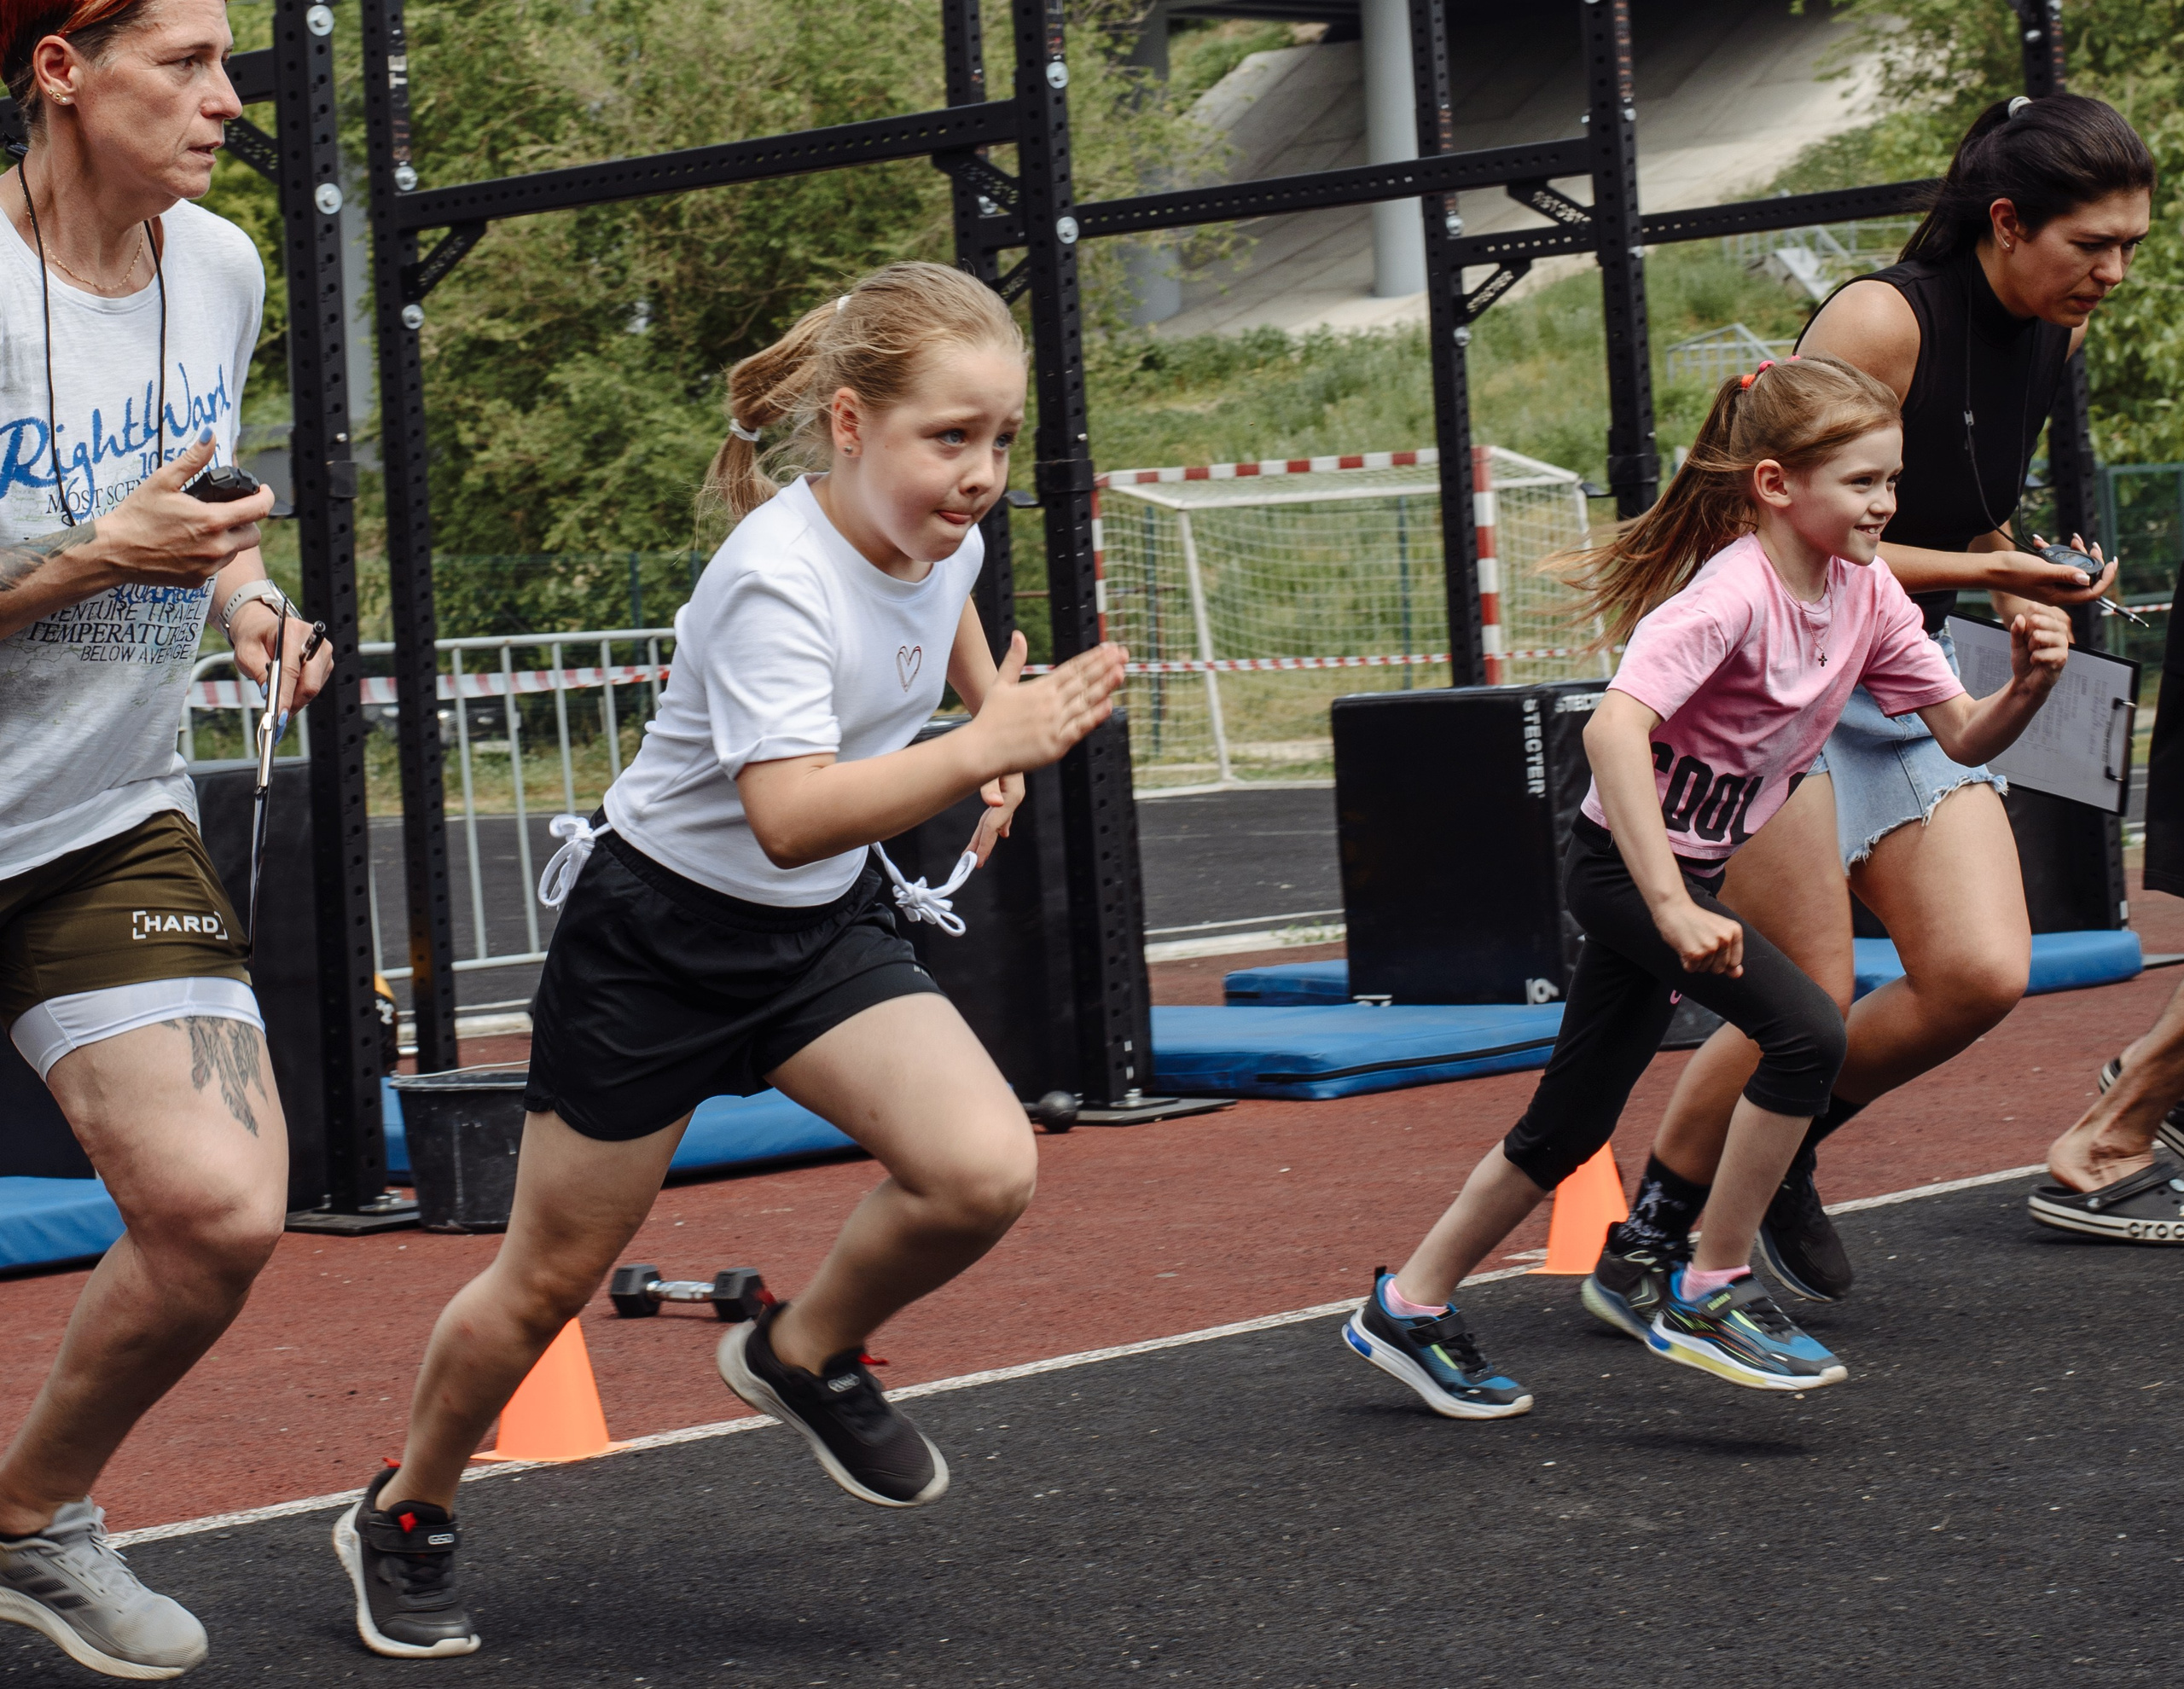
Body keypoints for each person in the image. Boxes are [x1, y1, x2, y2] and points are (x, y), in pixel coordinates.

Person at [332, 262, 1128, 1659]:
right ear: (848, 425)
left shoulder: (942, 535)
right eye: (949, 437)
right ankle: (406, 1509)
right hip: (659, 938)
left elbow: (946, 615)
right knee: (543, 1281)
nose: (981, 473)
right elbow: (788, 808)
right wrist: (982, 749)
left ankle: (798, 1351)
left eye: (1000, 439)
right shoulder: (771, 580)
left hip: (815, 932)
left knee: (985, 1169)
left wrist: (988, 705)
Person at [1345, 355, 2067, 1411]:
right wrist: (1675, 903)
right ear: (1776, 485)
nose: (1886, 506)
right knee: (1808, 1031)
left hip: (1685, 874)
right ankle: (1709, 1287)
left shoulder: (1864, 597)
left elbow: (1960, 735)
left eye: (1892, 482)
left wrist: (2032, 681)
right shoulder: (1730, 596)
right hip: (1625, 873)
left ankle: (1404, 1308)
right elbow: (1611, 728)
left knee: (1568, 1124)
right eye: (1862, 484)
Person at [1584, 91, 2152, 1317]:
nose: (2112, 272)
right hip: (1776, 682)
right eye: (2090, 245)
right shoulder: (1882, 317)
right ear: (2007, 222)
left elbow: (1949, 504)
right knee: (1807, 993)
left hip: (1892, 659)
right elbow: (1790, 524)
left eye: (2130, 249)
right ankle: (1653, 1244)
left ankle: (1777, 1153)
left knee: (1980, 973)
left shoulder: (2052, 332)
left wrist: (2014, 580)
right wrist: (1994, 569)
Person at [0, 3, 330, 1680]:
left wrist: (248, 594)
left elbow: (186, 501)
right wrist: (77, 560)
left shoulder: (222, 268)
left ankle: (30, 1521)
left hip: (97, 819)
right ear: (63, 70)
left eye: (232, 64)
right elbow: (101, 536)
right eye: (185, 65)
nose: (227, 100)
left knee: (217, 1209)